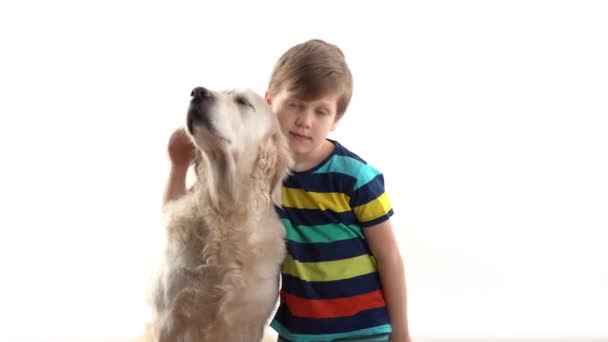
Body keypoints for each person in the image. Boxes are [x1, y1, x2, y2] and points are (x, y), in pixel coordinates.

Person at [163, 39, 411, 342]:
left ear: (336, 120)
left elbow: (389, 257)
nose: (304, 121)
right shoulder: (259, 173)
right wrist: (178, 165)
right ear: (269, 102)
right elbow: (179, 219)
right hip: (298, 332)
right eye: (294, 104)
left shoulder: (354, 178)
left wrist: (401, 332)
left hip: (361, 329)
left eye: (321, 111)